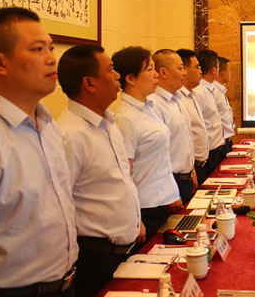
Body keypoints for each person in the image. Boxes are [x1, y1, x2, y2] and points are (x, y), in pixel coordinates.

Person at [0, 7, 78, 297]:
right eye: (38, 49)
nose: (51, 58)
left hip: (65, 284)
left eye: (50, 48)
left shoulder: (48, 126)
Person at [57, 45, 141, 297]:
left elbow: (119, 180)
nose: (118, 76)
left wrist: (135, 219)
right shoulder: (68, 136)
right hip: (95, 257)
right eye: (111, 70)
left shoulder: (108, 123)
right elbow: (61, 207)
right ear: (89, 83)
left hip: (124, 249)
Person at [112, 46, 182, 254]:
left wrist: (172, 192)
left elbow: (160, 159)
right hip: (144, 209)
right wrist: (134, 217)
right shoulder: (125, 118)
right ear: (130, 78)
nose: (156, 74)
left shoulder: (147, 108)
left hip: (160, 203)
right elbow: (124, 174)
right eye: (149, 69)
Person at [150, 49, 198, 204]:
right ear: (163, 72)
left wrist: (192, 171)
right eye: (180, 68)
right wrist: (169, 191)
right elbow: (158, 154)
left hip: (186, 178)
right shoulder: (154, 104)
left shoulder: (178, 99)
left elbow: (185, 141)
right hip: (171, 182)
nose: (184, 72)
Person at [177, 49, 210, 186]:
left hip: (200, 165)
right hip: (188, 170)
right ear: (184, 69)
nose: (201, 71)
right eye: (197, 67)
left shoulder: (192, 94)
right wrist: (192, 170)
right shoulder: (177, 98)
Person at [194, 49, 226, 176]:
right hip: (208, 153)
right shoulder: (199, 92)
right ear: (213, 70)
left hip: (216, 149)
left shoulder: (210, 89)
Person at [214, 56, 236, 155]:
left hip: (227, 140)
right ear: (222, 72)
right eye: (229, 70)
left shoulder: (221, 89)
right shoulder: (213, 91)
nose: (230, 73)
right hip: (220, 143)